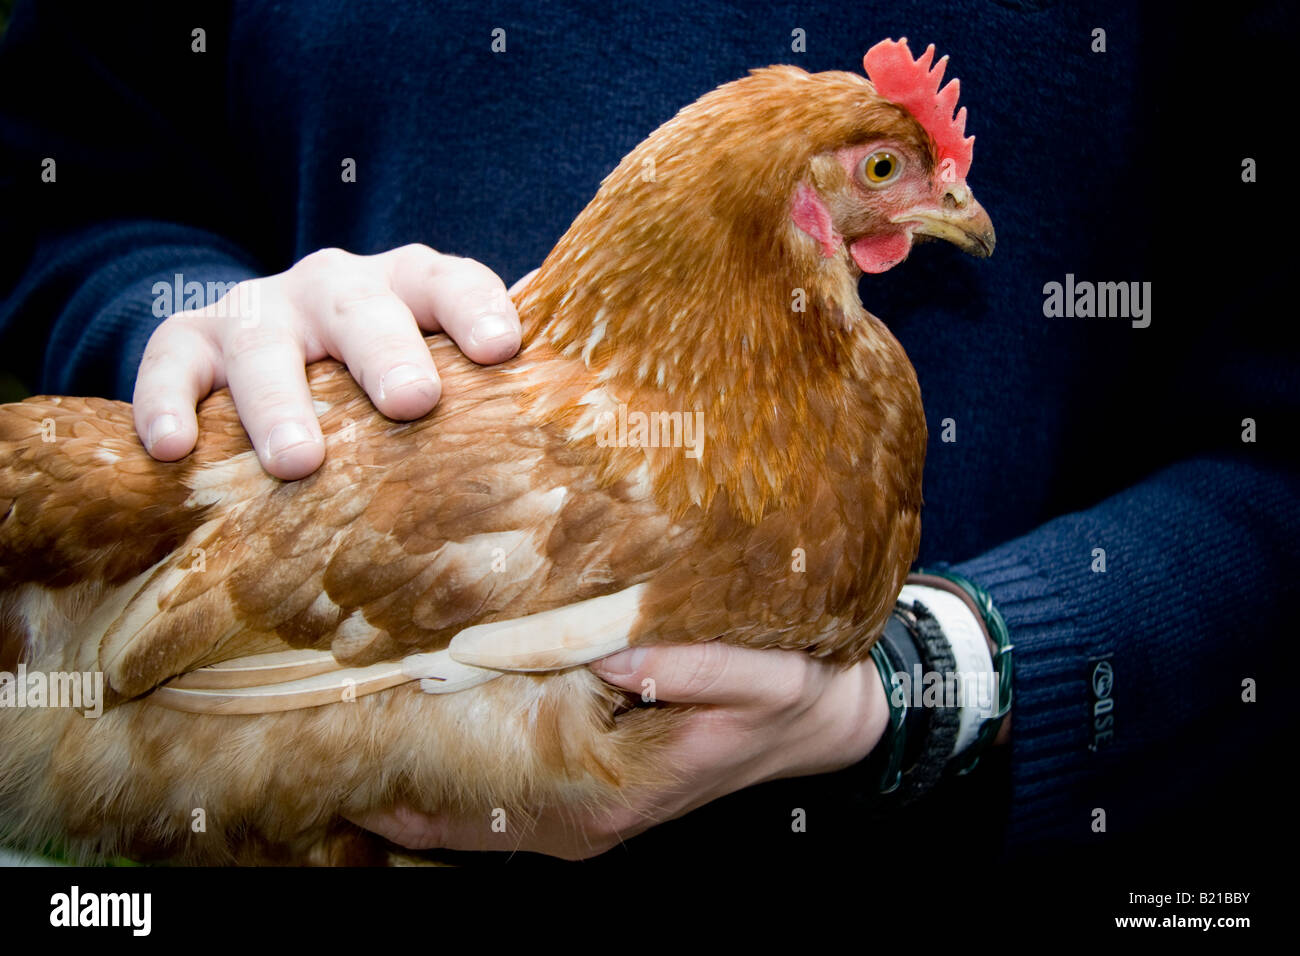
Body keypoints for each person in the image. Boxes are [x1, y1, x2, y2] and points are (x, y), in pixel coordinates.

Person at [0, 0, 1294, 870]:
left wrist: (951, 674)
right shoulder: (605, 489)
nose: (951, 199)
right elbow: (74, 174)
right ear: (786, 208)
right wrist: (185, 355)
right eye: (890, 172)